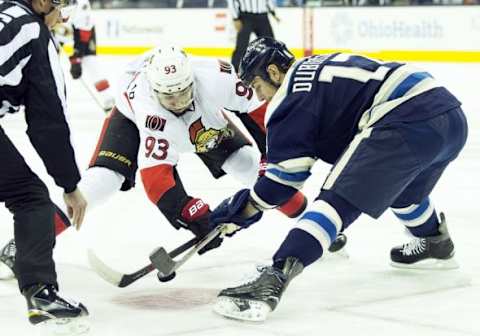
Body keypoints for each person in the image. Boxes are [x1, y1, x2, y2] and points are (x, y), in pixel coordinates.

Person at [209, 37, 468, 321]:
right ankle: (434, 240)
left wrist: (244, 209)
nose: (259, 97)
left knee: (335, 201)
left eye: (257, 86)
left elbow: (282, 182)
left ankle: (274, 277)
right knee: (406, 193)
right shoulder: (314, 64)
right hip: (449, 114)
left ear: (273, 72)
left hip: (404, 119)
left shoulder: (289, 98)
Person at [1, 44, 310, 281]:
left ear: (192, 80)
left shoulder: (218, 79)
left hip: (203, 116)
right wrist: (189, 213)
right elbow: (156, 178)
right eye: (168, 96)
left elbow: (263, 113)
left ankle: (313, 222)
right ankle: (24, 244)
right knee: (100, 184)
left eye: (181, 92)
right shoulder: (150, 110)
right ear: (155, 89)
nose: (176, 101)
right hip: (128, 118)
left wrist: (274, 155)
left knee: (248, 165)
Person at [0, 0, 89, 329]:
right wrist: (70, 185)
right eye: (59, 9)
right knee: (31, 198)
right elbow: (47, 121)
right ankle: (42, 295)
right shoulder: (33, 32)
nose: (60, 19)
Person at [67, 0, 114, 112]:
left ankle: (108, 99)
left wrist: (77, 56)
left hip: (85, 43)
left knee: (94, 69)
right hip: (72, 37)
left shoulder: (82, 3)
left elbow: (84, 31)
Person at [228, 0, 279, 72]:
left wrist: (272, 12)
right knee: (242, 45)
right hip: (246, 17)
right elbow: (233, 1)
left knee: (270, 43)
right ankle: (235, 70)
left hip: (262, 16)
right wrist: (235, 18)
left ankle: (273, 67)